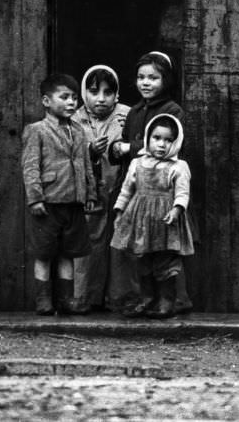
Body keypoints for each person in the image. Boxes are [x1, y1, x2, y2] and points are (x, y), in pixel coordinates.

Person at [109, 51, 193, 315]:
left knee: (166, 251)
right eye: (141, 77)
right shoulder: (135, 111)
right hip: (139, 194)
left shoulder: (171, 111)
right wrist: (116, 149)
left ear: (165, 81)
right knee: (139, 250)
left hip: (163, 193)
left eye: (153, 78)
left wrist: (129, 148)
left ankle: (173, 300)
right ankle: (144, 298)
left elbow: (171, 146)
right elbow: (124, 145)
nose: (146, 83)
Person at [22, 73, 97, 315]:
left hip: (73, 202)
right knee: (44, 254)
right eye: (64, 97)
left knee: (69, 253)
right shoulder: (37, 130)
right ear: (46, 101)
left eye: (74, 98)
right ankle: (43, 301)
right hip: (48, 203)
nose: (71, 102)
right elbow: (30, 166)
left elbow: (85, 164)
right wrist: (35, 198)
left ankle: (66, 300)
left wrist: (90, 194)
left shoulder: (79, 130)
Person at [71, 65, 131, 312]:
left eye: (108, 92)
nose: (101, 98)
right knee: (89, 243)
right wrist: (88, 152)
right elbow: (66, 153)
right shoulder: (74, 119)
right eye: (94, 92)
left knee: (121, 243)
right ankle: (85, 298)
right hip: (90, 193)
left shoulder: (127, 115)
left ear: (116, 94)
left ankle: (119, 299)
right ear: (85, 93)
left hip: (121, 189)